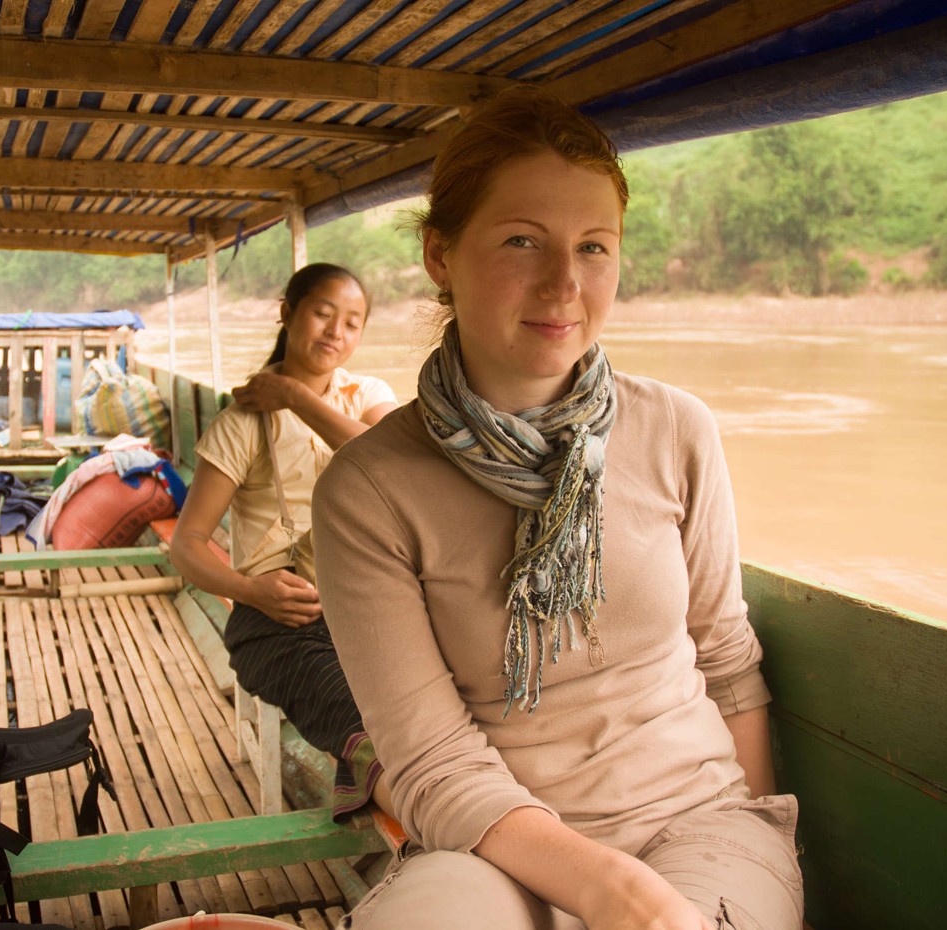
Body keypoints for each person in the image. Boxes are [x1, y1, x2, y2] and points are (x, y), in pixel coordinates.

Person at [312, 88, 804, 930]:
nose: (564, 284)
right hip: (493, 845)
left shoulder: (676, 428)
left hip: (699, 821)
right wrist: (617, 893)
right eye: (522, 241)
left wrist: (760, 844)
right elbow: (431, 757)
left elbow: (727, 663)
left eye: (593, 247)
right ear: (440, 254)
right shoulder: (369, 489)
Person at [169, 262, 398, 819]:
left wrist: (294, 395)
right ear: (287, 313)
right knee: (361, 719)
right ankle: (425, 810)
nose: (336, 332)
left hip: (372, 598)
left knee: (430, 700)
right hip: (283, 615)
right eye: (323, 313)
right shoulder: (241, 423)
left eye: (352, 323)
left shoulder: (367, 395)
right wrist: (251, 591)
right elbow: (187, 544)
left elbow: (389, 460)